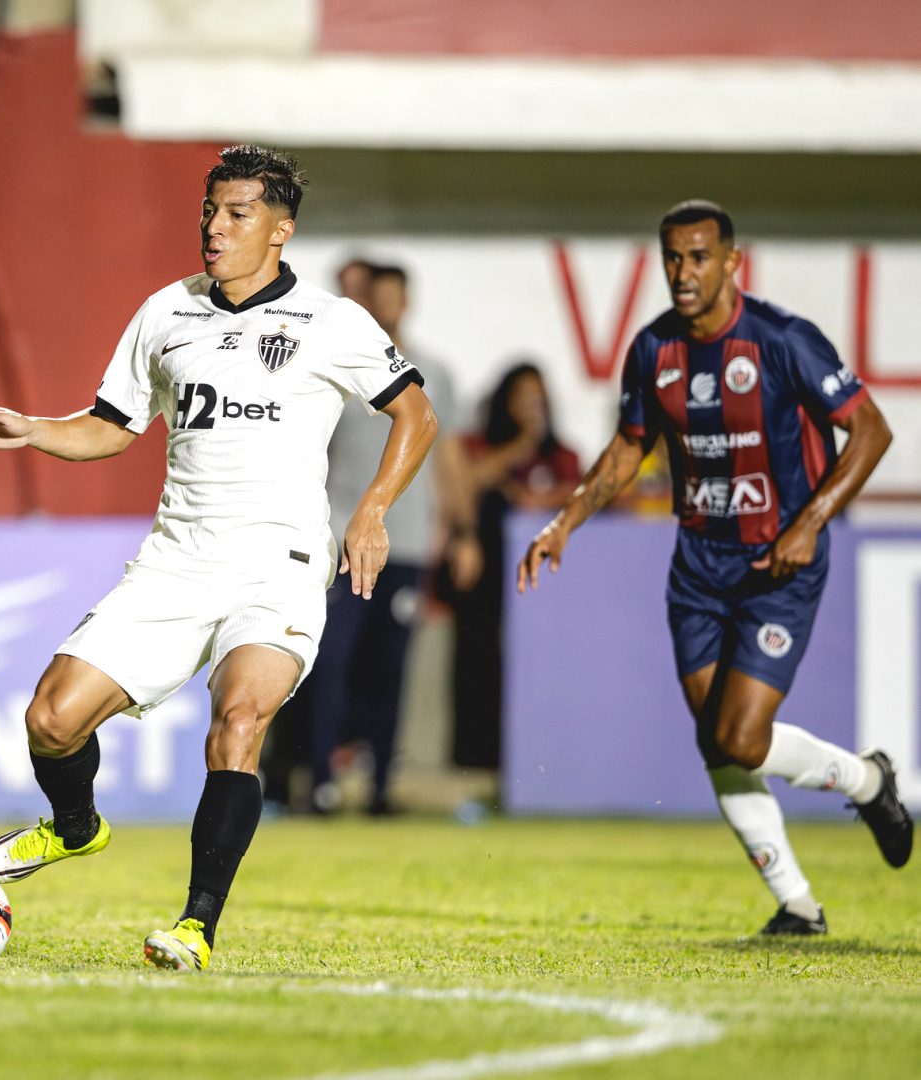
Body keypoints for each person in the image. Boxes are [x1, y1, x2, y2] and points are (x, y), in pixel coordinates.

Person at [0, 145, 437, 971]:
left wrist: (371, 511)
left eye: (237, 215)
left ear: (281, 231)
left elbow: (417, 416)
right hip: (177, 560)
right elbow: (113, 425)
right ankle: (75, 828)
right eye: (209, 212)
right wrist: (34, 427)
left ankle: (195, 926)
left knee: (240, 720)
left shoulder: (333, 323)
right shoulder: (166, 313)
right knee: (51, 719)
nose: (215, 230)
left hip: (278, 564)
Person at [518, 199, 911, 935]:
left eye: (700, 257)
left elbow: (871, 430)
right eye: (672, 257)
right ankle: (797, 905)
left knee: (739, 738)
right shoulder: (654, 350)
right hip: (698, 565)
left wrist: (811, 523)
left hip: (778, 563)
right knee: (717, 740)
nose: (683, 272)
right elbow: (628, 447)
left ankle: (868, 779)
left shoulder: (783, 341)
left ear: (734, 261)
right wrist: (566, 520)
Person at [281, 261, 478, 814]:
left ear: (406, 301)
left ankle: (381, 788)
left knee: (390, 671)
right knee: (328, 660)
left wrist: (462, 530)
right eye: (377, 297)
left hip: (409, 542)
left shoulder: (434, 371)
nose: (385, 307)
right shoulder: (337, 365)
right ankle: (318, 781)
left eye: (394, 297)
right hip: (342, 539)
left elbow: (451, 456)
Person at [449, 363, 580, 772]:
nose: (531, 408)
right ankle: (476, 764)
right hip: (486, 588)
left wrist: (534, 499)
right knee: (478, 669)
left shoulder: (563, 456)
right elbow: (467, 483)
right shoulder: (480, 445)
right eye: (522, 398)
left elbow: (583, 496)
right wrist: (520, 445)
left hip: (549, 593)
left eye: (537, 399)